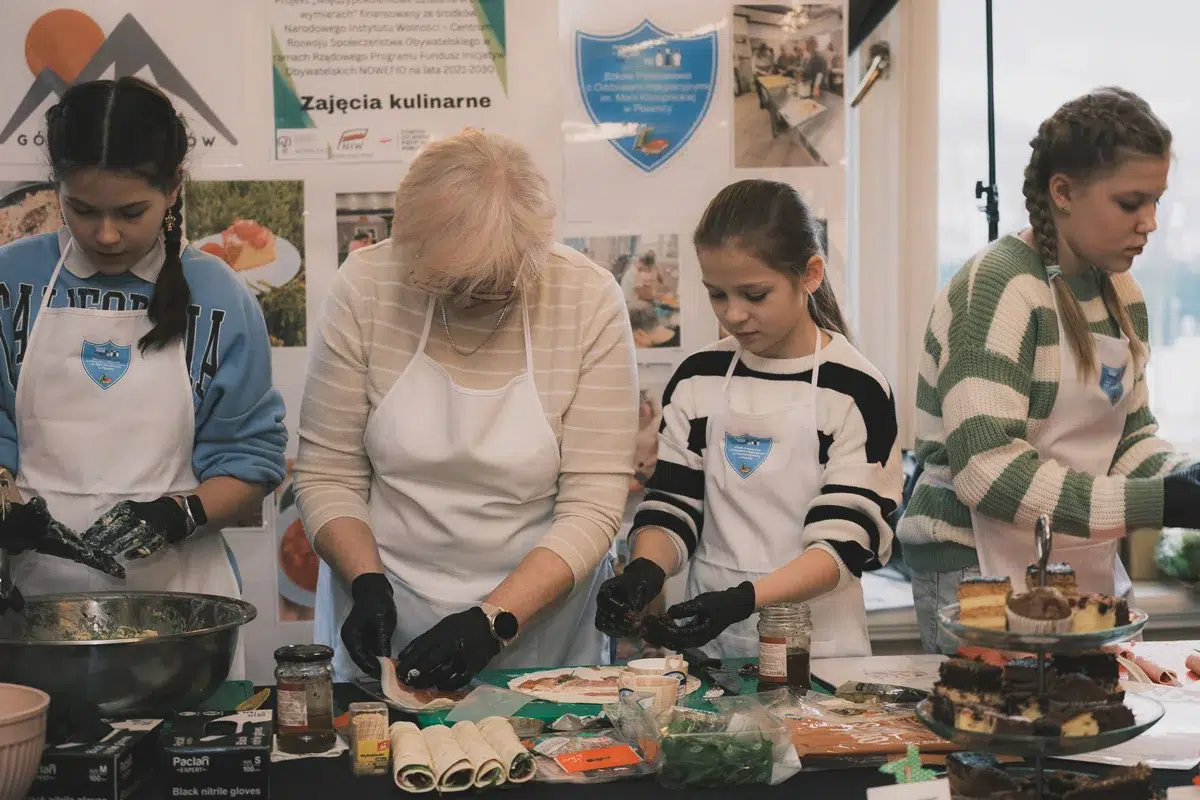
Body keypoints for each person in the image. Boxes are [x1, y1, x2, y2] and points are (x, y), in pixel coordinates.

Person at [295, 128, 638, 685]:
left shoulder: (587, 299)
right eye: (452, 284)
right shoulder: (367, 284)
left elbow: (594, 503)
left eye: (494, 286)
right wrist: (365, 582)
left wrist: (494, 620)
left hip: (538, 627)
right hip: (388, 607)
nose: (472, 300)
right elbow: (327, 472)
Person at [899, 87, 1200, 654]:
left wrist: (1186, 478)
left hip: (1071, 561)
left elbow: (1128, 441)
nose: (1150, 223)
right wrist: (1160, 503)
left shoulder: (1121, 294)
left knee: (1075, 728)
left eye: (1156, 202)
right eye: (1131, 203)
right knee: (999, 733)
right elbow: (987, 473)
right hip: (974, 570)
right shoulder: (1000, 288)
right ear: (1063, 191)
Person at [0, 79, 287, 654]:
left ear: (173, 189)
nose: (106, 234)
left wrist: (181, 514)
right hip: (30, 602)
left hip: (180, 608)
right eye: (82, 210)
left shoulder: (220, 297)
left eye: (132, 212)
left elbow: (252, 458)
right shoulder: (12, 281)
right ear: (58, 189)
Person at [594, 179, 902, 659]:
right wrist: (643, 572)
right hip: (709, 645)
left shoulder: (854, 389)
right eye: (717, 295)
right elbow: (674, 504)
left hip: (818, 650)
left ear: (811, 274)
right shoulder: (699, 378)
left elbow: (844, 541)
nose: (734, 314)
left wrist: (744, 600)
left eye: (754, 295)